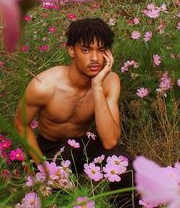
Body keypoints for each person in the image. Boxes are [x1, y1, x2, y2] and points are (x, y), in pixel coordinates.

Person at [14, 18, 140, 207]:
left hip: (85, 143)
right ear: (71, 50)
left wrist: (97, 86)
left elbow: (110, 140)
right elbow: (20, 124)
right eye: (86, 50)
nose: (95, 58)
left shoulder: (109, 81)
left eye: (102, 50)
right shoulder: (44, 85)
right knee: (58, 192)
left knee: (125, 165)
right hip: (50, 147)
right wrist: (43, 167)